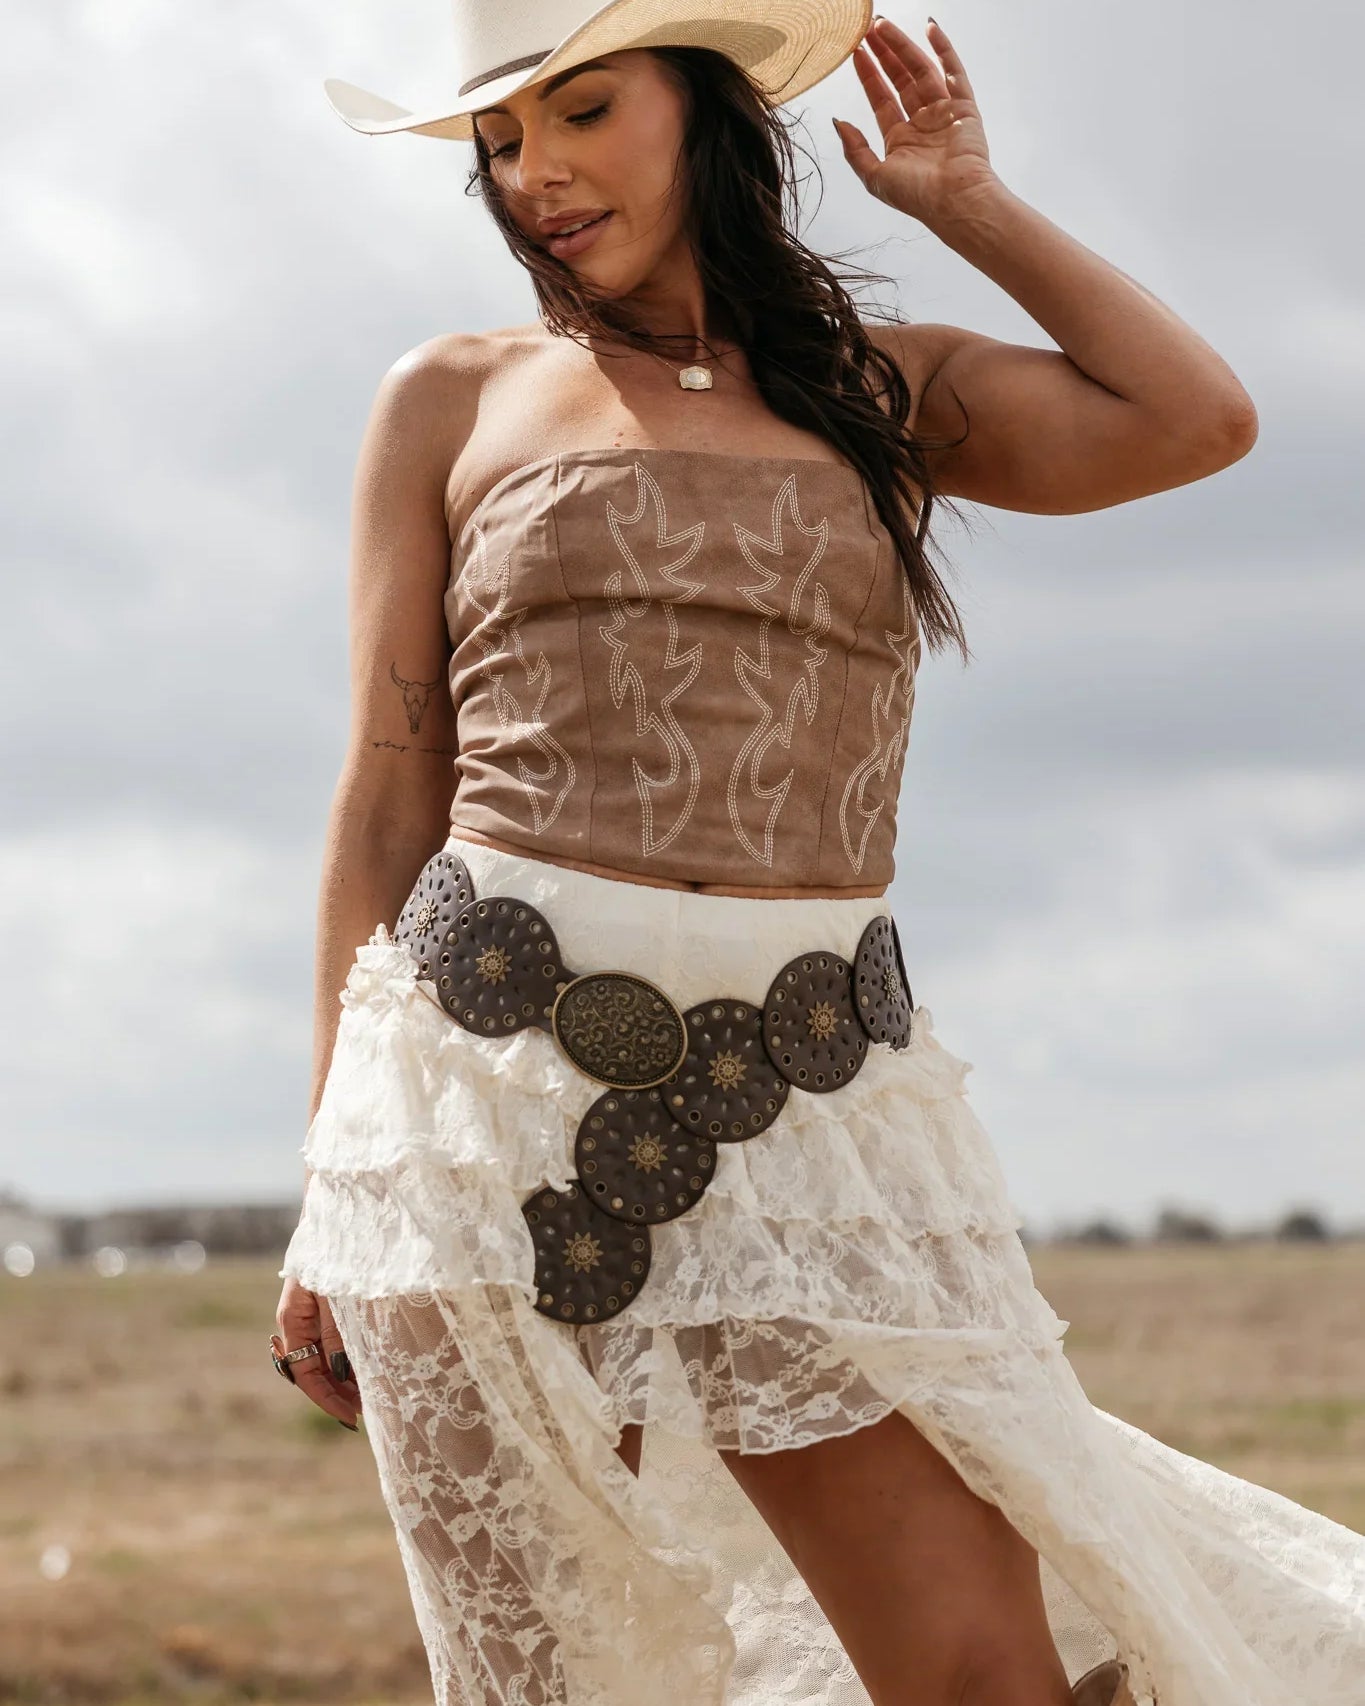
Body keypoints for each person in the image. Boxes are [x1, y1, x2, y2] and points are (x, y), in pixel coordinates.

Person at [273, 5, 1365, 1704]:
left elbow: (1195, 417)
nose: (537, 170)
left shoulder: (889, 386)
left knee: (981, 1669)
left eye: (581, 108)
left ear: (701, 108)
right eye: (498, 140)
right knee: (561, 1681)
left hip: (825, 1095)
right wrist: (336, 1179)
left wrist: (969, 206)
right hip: (471, 1100)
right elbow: (388, 785)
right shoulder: (452, 397)